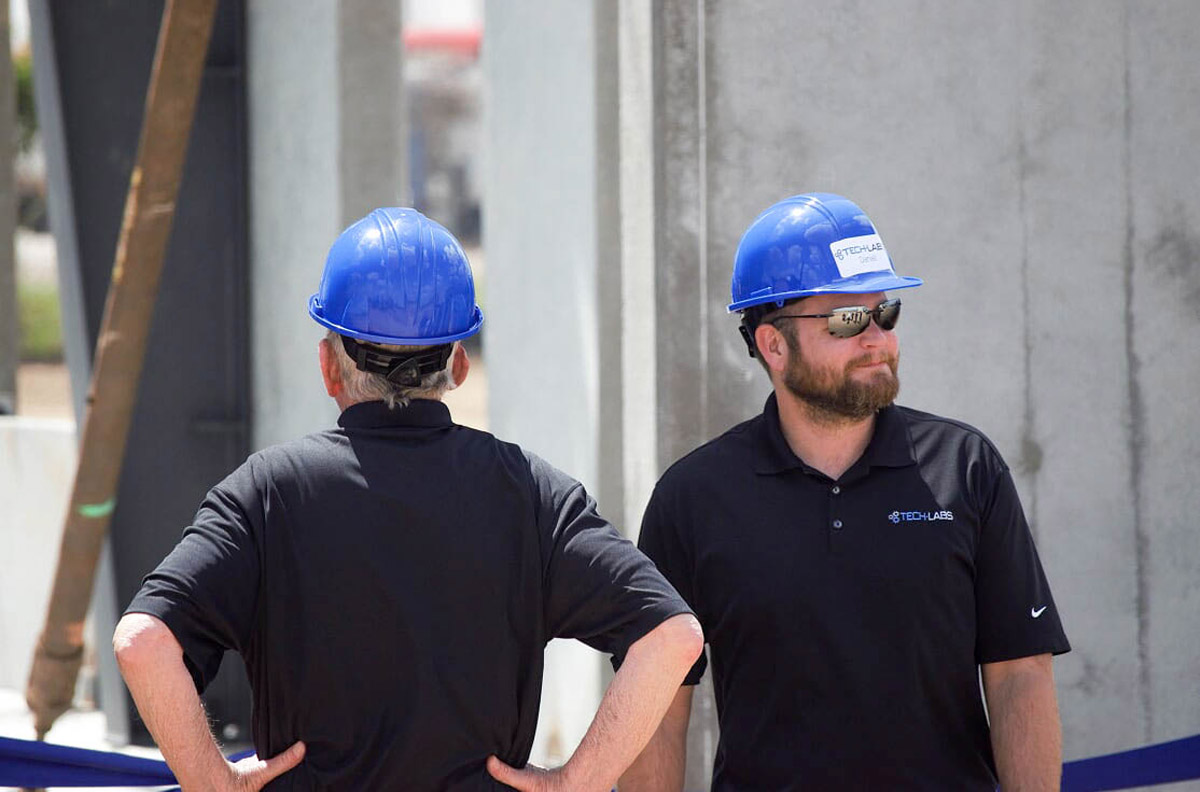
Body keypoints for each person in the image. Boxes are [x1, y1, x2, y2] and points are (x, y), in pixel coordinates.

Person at [113, 207, 703, 791]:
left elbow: (142, 643)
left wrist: (215, 783)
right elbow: (672, 637)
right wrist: (577, 782)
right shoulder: (532, 493)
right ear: (459, 365)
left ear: (329, 366)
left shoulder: (266, 492)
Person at [620, 193, 1070, 791]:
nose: (876, 339)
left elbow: (1020, 672)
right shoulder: (693, 499)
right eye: (848, 320)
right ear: (773, 345)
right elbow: (657, 708)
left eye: (885, 313)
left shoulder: (966, 468)